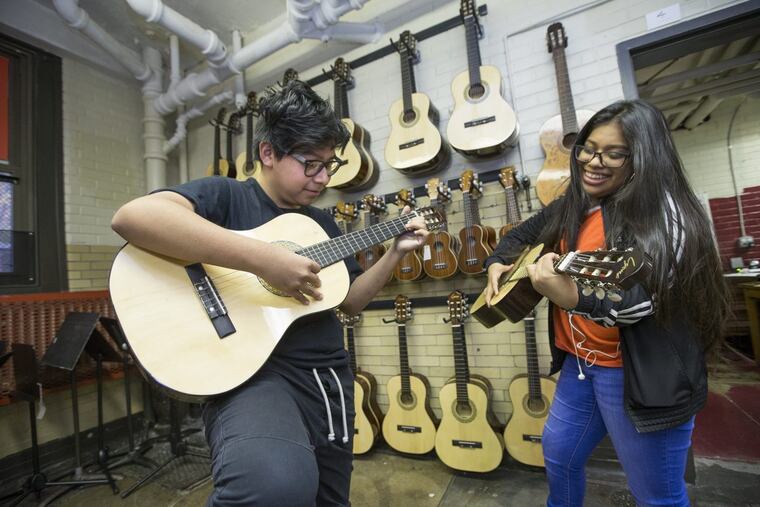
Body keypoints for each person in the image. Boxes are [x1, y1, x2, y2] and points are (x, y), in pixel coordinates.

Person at [111, 80, 429, 507]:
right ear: (268, 153)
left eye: (328, 166)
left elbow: (350, 300)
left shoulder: (320, 224)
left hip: (327, 378)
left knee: (328, 499)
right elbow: (134, 218)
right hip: (251, 377)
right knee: (273, 487)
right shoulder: (226, 196)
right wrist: (264, 261)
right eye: (309, 164)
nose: (321, 178)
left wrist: (394, 253)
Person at [484, 99, 727, 507]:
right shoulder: (575, 205)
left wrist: (570, 296)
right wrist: (497, 261)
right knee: (559, 458)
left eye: (614, 153)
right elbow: (519, 236)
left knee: (657, 496)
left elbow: (639, 301)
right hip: (580, 366)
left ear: (645, 157)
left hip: (635, 376)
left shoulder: (665, 217)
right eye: (588, 148)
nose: (594, 162)